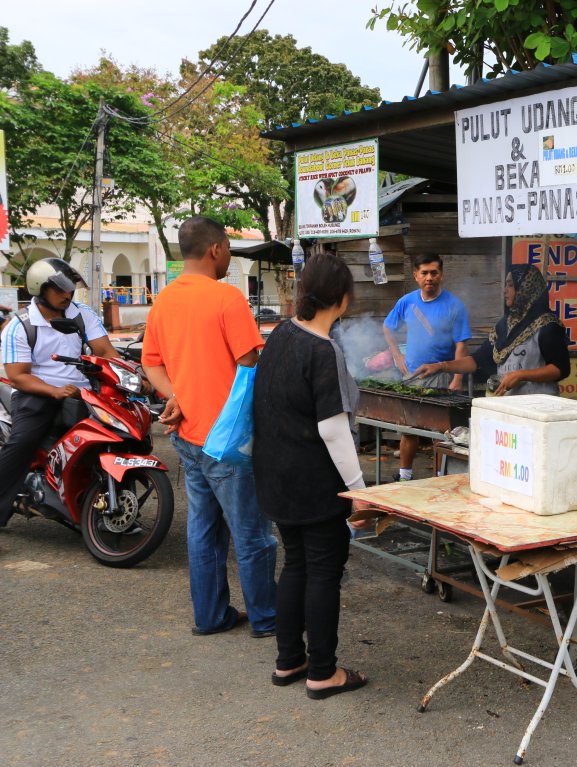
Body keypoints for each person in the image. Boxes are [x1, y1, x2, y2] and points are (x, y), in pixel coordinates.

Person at [141, 216, 277, 638]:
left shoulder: (163, 300)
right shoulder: (226, 298)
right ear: (216, 249)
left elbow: (151, 362)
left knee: (203, 530)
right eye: (228, 248)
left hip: (187, 435)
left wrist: (175, 396)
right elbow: (251, 362)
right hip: (230, 440)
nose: (229, 255)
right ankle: (267, 619)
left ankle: (211, 616)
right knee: (253, 533)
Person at [253, 252, 369, 699]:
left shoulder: (281, 335)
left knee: (297, 563)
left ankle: (289, 661)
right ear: (341, 299)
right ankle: (323, 671)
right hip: (314, 482)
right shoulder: (322, 349)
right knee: (323, 570)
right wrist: (359, 492)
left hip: (277, 477)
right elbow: (334, 429)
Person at [0, 258, 127, 527]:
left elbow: (106, 352)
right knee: (22, 443)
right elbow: (18, 376)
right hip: (36, 394)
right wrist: (54, 391)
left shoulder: (82, 314)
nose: (66, 294)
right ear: (39, 288)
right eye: (59, 289)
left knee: (116, 433)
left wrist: (132, 375)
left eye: (69, 289)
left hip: (81, 393)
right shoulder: (20, 325)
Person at [411, 264, 569, 395]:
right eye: (505, 285)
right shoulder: (504, 325)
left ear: (526, 289)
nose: (505, 291)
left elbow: (561, 369)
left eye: (510, 285)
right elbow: (477, 360)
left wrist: (521, 375)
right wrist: (441, 366)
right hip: (508, 406)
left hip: (539, 406)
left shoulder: (548, 325)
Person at [382, 254, 471, 479]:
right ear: (416, 275)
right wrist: (396, 356)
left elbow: (461, 346)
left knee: (440, 433)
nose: (429, 277)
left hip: (441, 377)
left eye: (434, 272)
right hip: (411, 376)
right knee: (408, 430)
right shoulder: (407, 302)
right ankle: (404, 476)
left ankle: (442, 479)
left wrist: (457, 379)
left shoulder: (454, 306)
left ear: (441, 274)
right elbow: (387, 327)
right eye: (424, 273)